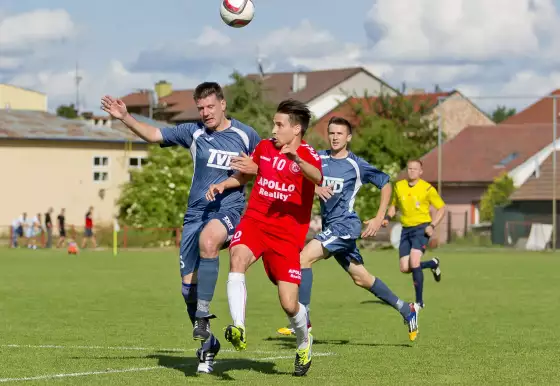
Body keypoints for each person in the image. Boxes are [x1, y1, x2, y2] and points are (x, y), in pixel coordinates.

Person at [101, 82, 260, 374]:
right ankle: (208, 343)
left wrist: (256, 169)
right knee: (188, 288)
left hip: (228, 209)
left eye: (210, 107)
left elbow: (265, 166)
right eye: (200, 108)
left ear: (223, 104)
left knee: (210, 241)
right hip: (195, 213)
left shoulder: (246, 135)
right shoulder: (193, 132)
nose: (205, 113)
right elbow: (153, 134)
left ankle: (203, 313)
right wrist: (125, 117)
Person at [276, 117, 419, 341]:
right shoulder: (319, 158)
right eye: (331, 133)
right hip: (331, 227)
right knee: (361, 278)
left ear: (348, 137)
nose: (334, 137)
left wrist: (378, 217)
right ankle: (406, 309)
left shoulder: (356, 164)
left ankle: (302, 320)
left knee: (303, 258)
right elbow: (298, 174)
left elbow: (385, 183)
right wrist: (314, 188)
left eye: (340, 134)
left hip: (346, 225)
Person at [206, 99, 322, 377]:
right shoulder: (264, 148)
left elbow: (317, 177)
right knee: (237, 259)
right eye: (273, 123)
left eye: (279, 124)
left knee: (289, 303)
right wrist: (224, 182)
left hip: (286, 237)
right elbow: (246, 175)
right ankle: (239, 326)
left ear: (296, 129)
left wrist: (298, 161)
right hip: (255, 222)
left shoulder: (307, 155)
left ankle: (304, 340)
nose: (273, 129)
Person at [382, 159, 446, 309]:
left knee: (415, 262)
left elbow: (442, 208)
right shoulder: (399, 186)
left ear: (420, 172)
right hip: (406, 230)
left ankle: (419, 302)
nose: (412, 171)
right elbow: (394, 206)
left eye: (415, 169)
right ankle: (432, 264)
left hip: (422, 229)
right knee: (405, 267)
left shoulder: (427, 189)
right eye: (410, 168)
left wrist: (432, 225)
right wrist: (387, 218)